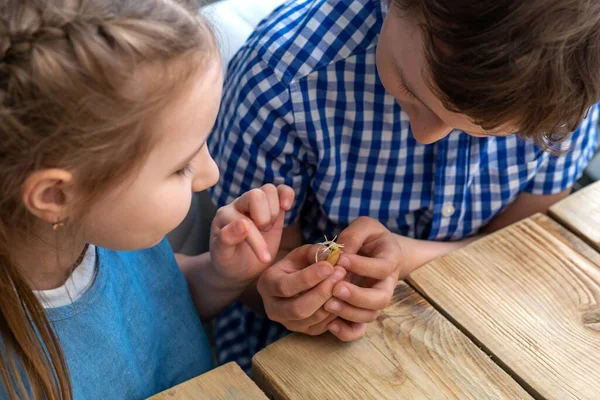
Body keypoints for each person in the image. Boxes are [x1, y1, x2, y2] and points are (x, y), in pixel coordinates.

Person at [209, 0, 600, 374]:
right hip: (284, 354)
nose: (426, 134)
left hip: (478, 328)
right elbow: (244, 272)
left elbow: (521, 242)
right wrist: (291, 294)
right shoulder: (281, 83)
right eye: (412, 91)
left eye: (484, 134)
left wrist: (408, 258)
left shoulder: (566, 85)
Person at [0, 0, 304, 398]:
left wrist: (220, 275)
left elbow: (155, 307)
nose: (209, 175)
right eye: (180, 166)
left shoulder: (109, 234)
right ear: (56, 195)